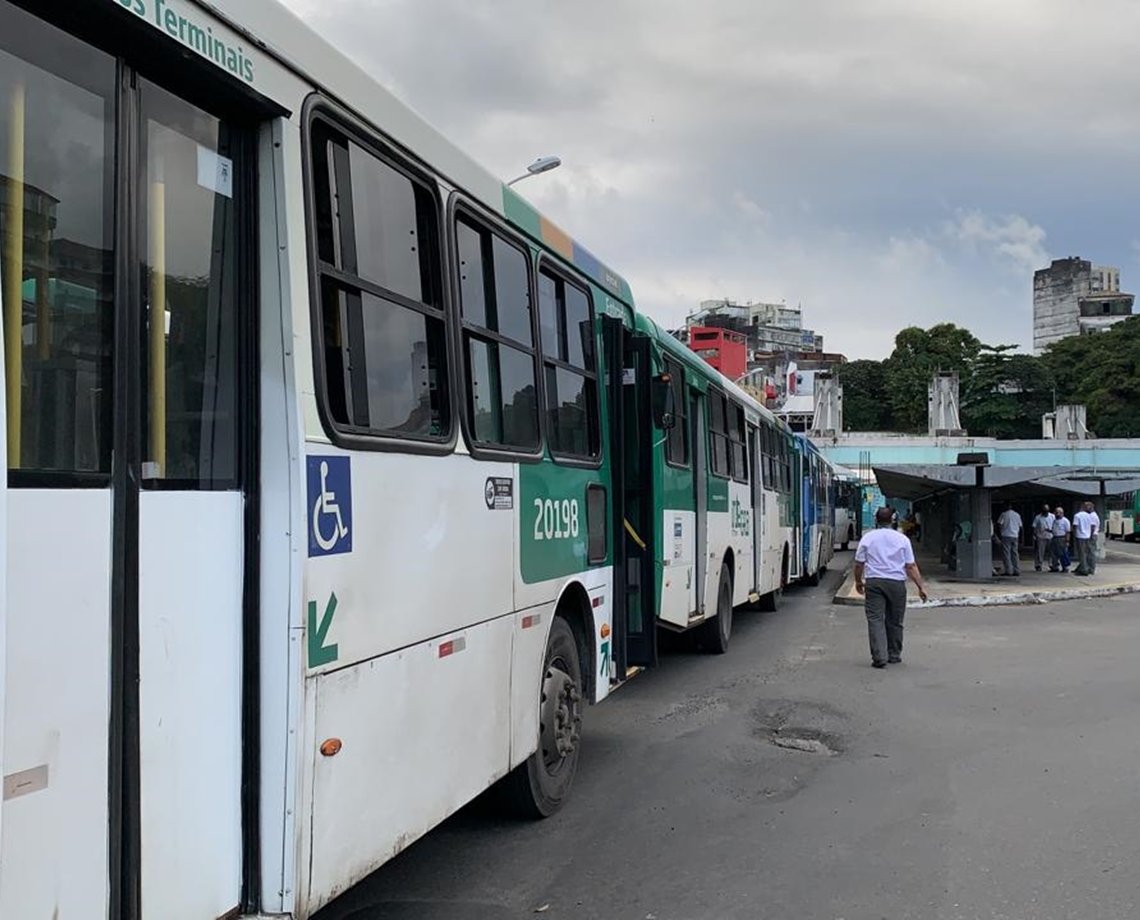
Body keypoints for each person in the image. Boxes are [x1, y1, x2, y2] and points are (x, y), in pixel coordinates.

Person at [854, 506, 929, 669]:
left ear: (876, 520)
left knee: (875, 619)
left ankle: (879, 657)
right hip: (896, 583)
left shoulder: (868, 538)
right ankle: (894, 654)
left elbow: (859, 564)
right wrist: (920, 586)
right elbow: (910, 566)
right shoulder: (902, 539)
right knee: (895, 620)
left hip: (874, 582)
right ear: (892, 520)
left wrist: (858, 582)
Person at [1072, 501, 1100, 576]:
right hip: (1088, 536)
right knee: (1087, 553)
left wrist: (1074, 535)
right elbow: (1091, 527)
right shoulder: (1089, 515)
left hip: (1083, 536)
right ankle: (1084, 567)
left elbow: (1075, 526)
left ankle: (1086, 569)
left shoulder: (1079, 515)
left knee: (1084, 553)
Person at [996, 502, 1023, 576]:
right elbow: (1020, 526)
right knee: (1015, 553)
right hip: (1015, 536)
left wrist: (1000, 533)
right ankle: (1017, 570)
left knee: (1006, 553)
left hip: (1006, 535)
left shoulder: (1003, 514)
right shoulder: (1017, 515)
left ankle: (1009, 570)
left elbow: (999, 524)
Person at [1032, 504, 1055, 572]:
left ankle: (1051, 564)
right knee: (1040, 551)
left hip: (1050, 536)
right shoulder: (1038, 517)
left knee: (1051, 552)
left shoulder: (1052, 516)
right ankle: (1038, 565)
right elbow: (1034, 526)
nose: (1045, 512)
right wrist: (1034, 535)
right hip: (1041, 536)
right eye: (1044, 511)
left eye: (1046, 511)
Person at [1050, 506, 1071, 572]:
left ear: (1062, 513)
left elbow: (1068, 531)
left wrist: (1067, 541)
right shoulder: (1055, 521)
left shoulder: (1065, 521)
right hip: (1054, 538)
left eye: (1058, 512)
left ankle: (1065, 567)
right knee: (1054, 553)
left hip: (1061, 538)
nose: (1056, 514)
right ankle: (1055, 566)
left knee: (1062, 553)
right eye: (1056, 512)